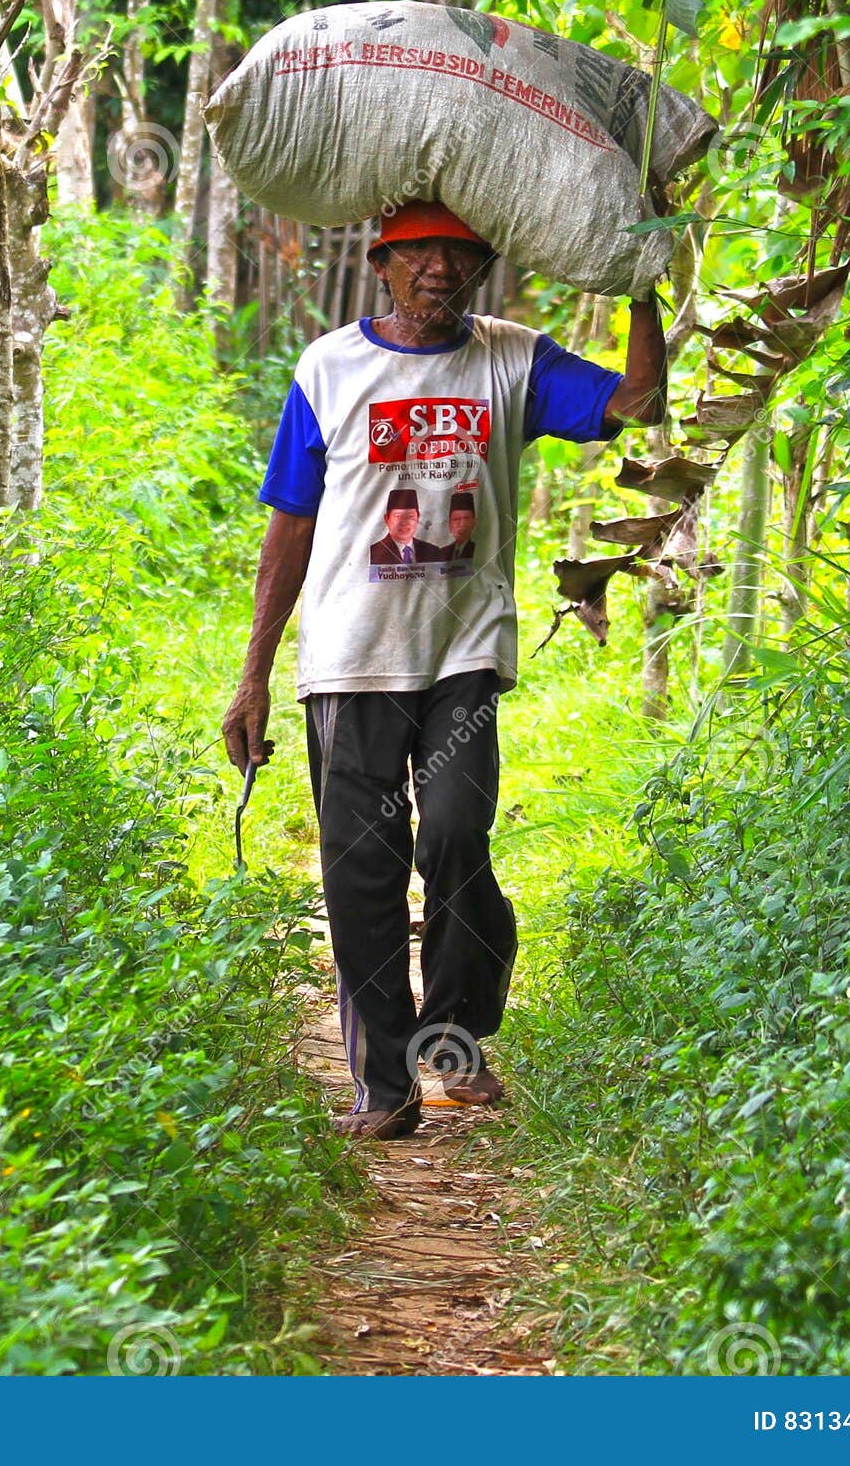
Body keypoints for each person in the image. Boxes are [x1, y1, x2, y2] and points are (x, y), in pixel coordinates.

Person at [221, 199, 668, 1140]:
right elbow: (289, 527)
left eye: (457, 255)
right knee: (362, 877)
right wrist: (255, 671)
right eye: (417, 254)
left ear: (480, 268)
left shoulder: (513, 356)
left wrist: (639, 288)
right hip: (350, 660)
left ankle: (453, 1044)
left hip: (462, 655)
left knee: (458, 837)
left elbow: (636, 403)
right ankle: (384, 1088)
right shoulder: (328, 368)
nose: (437, 271)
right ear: (381, 264)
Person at [368, 488, 443, 565]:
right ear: (386, 519)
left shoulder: (433, 552)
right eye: (398, 516)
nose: (404, 522)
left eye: (410, 516)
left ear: (418, 517)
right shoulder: (373, 552)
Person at [442, 490, 477, 563]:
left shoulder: (479, 550)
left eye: (467, 518)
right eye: (456, 519)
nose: (462, 524)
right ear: (450, 524)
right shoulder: (442, 552)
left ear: (474, 522)